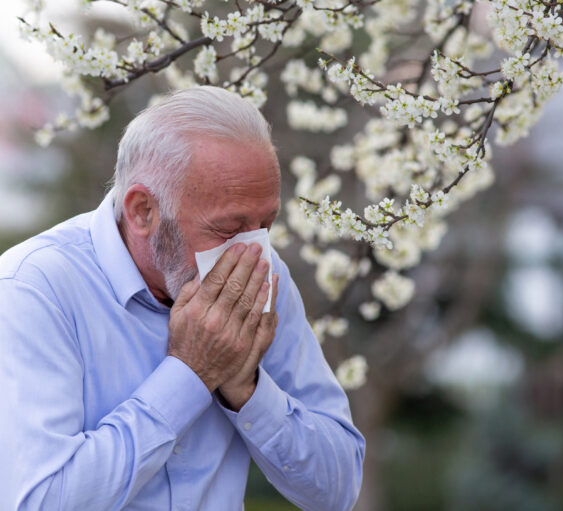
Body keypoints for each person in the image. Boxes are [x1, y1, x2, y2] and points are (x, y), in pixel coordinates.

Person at [0, 87, 365, 510]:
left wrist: (246, 389)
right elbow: (40, 501)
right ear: (142, 211)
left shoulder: (262, 272)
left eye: (266, 224)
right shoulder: (33, 290)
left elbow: (338, 489)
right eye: (228, 230)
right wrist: (190, 373)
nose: (253, 251)